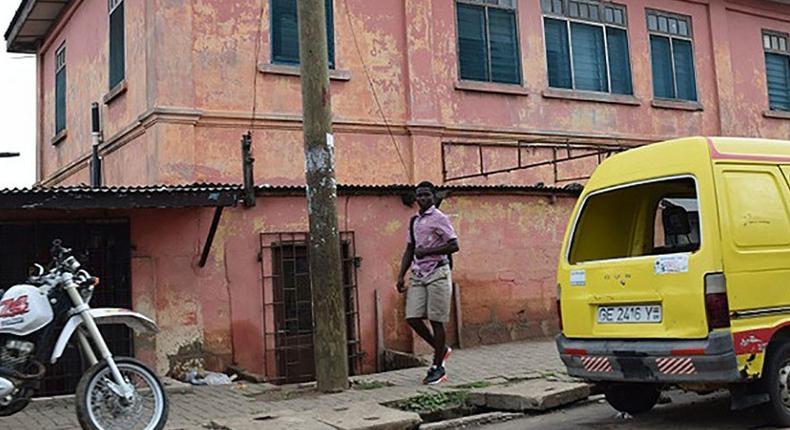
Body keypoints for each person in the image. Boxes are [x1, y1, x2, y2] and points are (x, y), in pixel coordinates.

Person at [396, 181, 460, 385]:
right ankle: (441, 349)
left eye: (426, 195)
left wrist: (428, 252)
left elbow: (454, 245)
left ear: (433, 196)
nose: (422, 198)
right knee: (412, 317)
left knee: (436, 319)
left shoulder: (440, 219)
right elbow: (410, 249)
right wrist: (400, 275)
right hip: (418, 273)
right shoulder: (414, 221)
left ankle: (437, 367)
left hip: (438, 272)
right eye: (419, 195)